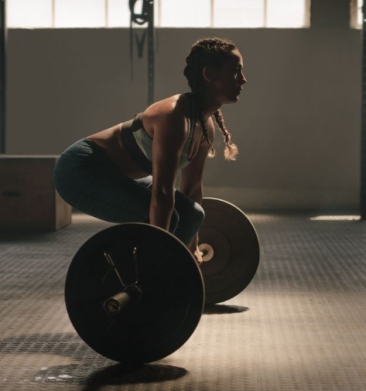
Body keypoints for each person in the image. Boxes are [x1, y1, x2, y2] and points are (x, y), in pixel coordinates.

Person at [54, 37, 247, 264]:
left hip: (118, 175)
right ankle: (137, 274)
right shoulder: (174, 115)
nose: (243, 80)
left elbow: (192, 188)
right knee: (164, 219)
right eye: (236, 71)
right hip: (79, 171)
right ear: (209, 75)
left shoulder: (205, 126)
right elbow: (163, 192)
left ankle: (166, 272)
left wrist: (192, 247)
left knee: (193, 214)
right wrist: (157, 252)